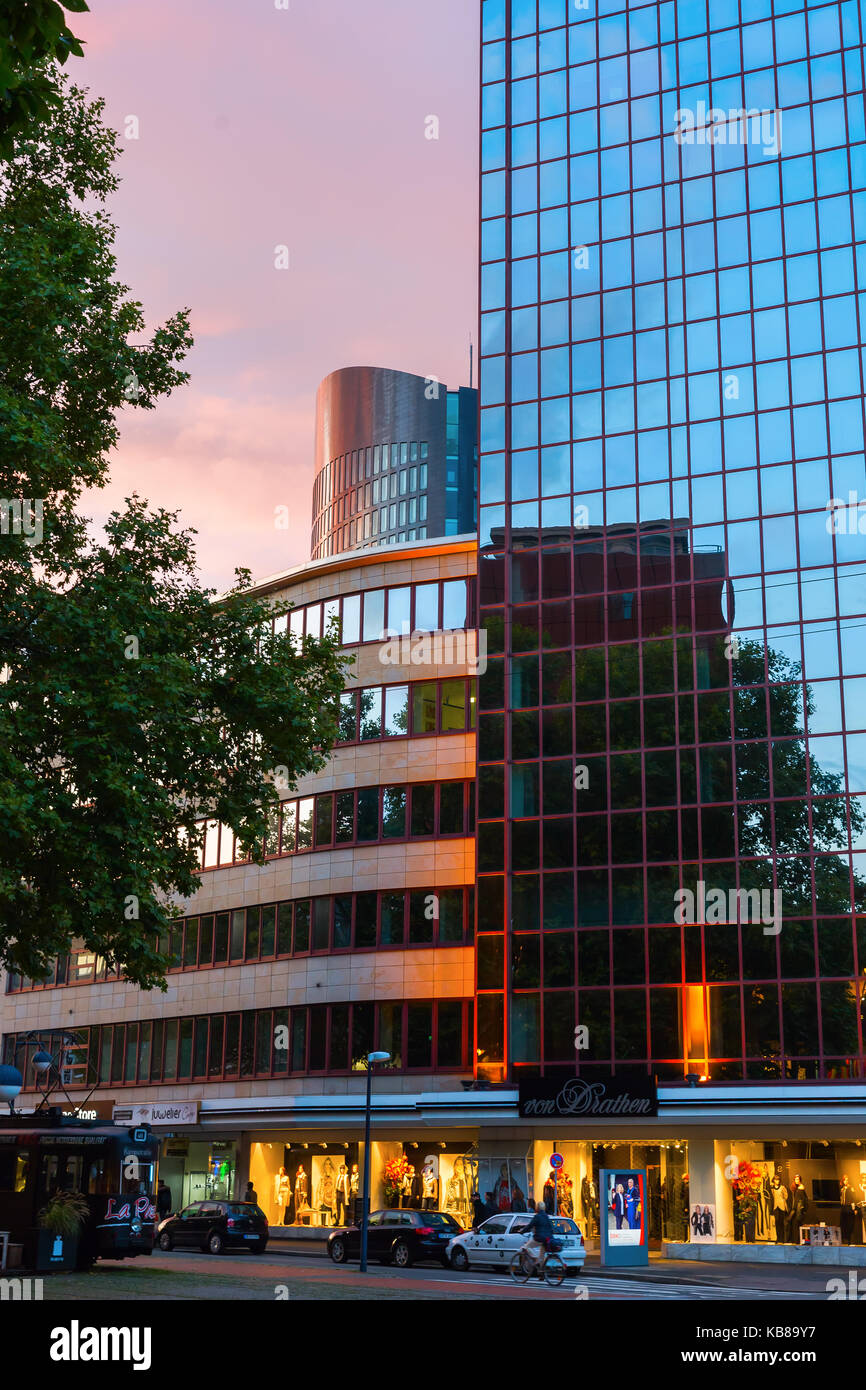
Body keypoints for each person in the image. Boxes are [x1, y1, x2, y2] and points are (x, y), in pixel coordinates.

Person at [521, 1201, 554, 1276]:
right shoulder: (546, 1216)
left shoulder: (537, 1216)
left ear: (537, 1208)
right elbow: (551, 1228)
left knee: (525, 1247)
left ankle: (534, 1258)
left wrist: (522, 1231)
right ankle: (542, 1273)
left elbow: (530, 1226)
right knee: (542, 1256)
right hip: (547, 1239)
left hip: (539, 1238)